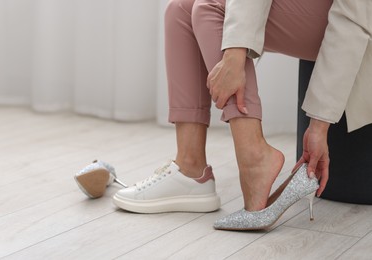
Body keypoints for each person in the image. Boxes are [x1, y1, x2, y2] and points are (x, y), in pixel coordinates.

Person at [97, 0, 372, 230]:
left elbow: (354, 18)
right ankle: (190, 169)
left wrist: (320, 124)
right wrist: (233, 54)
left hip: (359, 19)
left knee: (211, 6)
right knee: (181, 8)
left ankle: (255, 157)